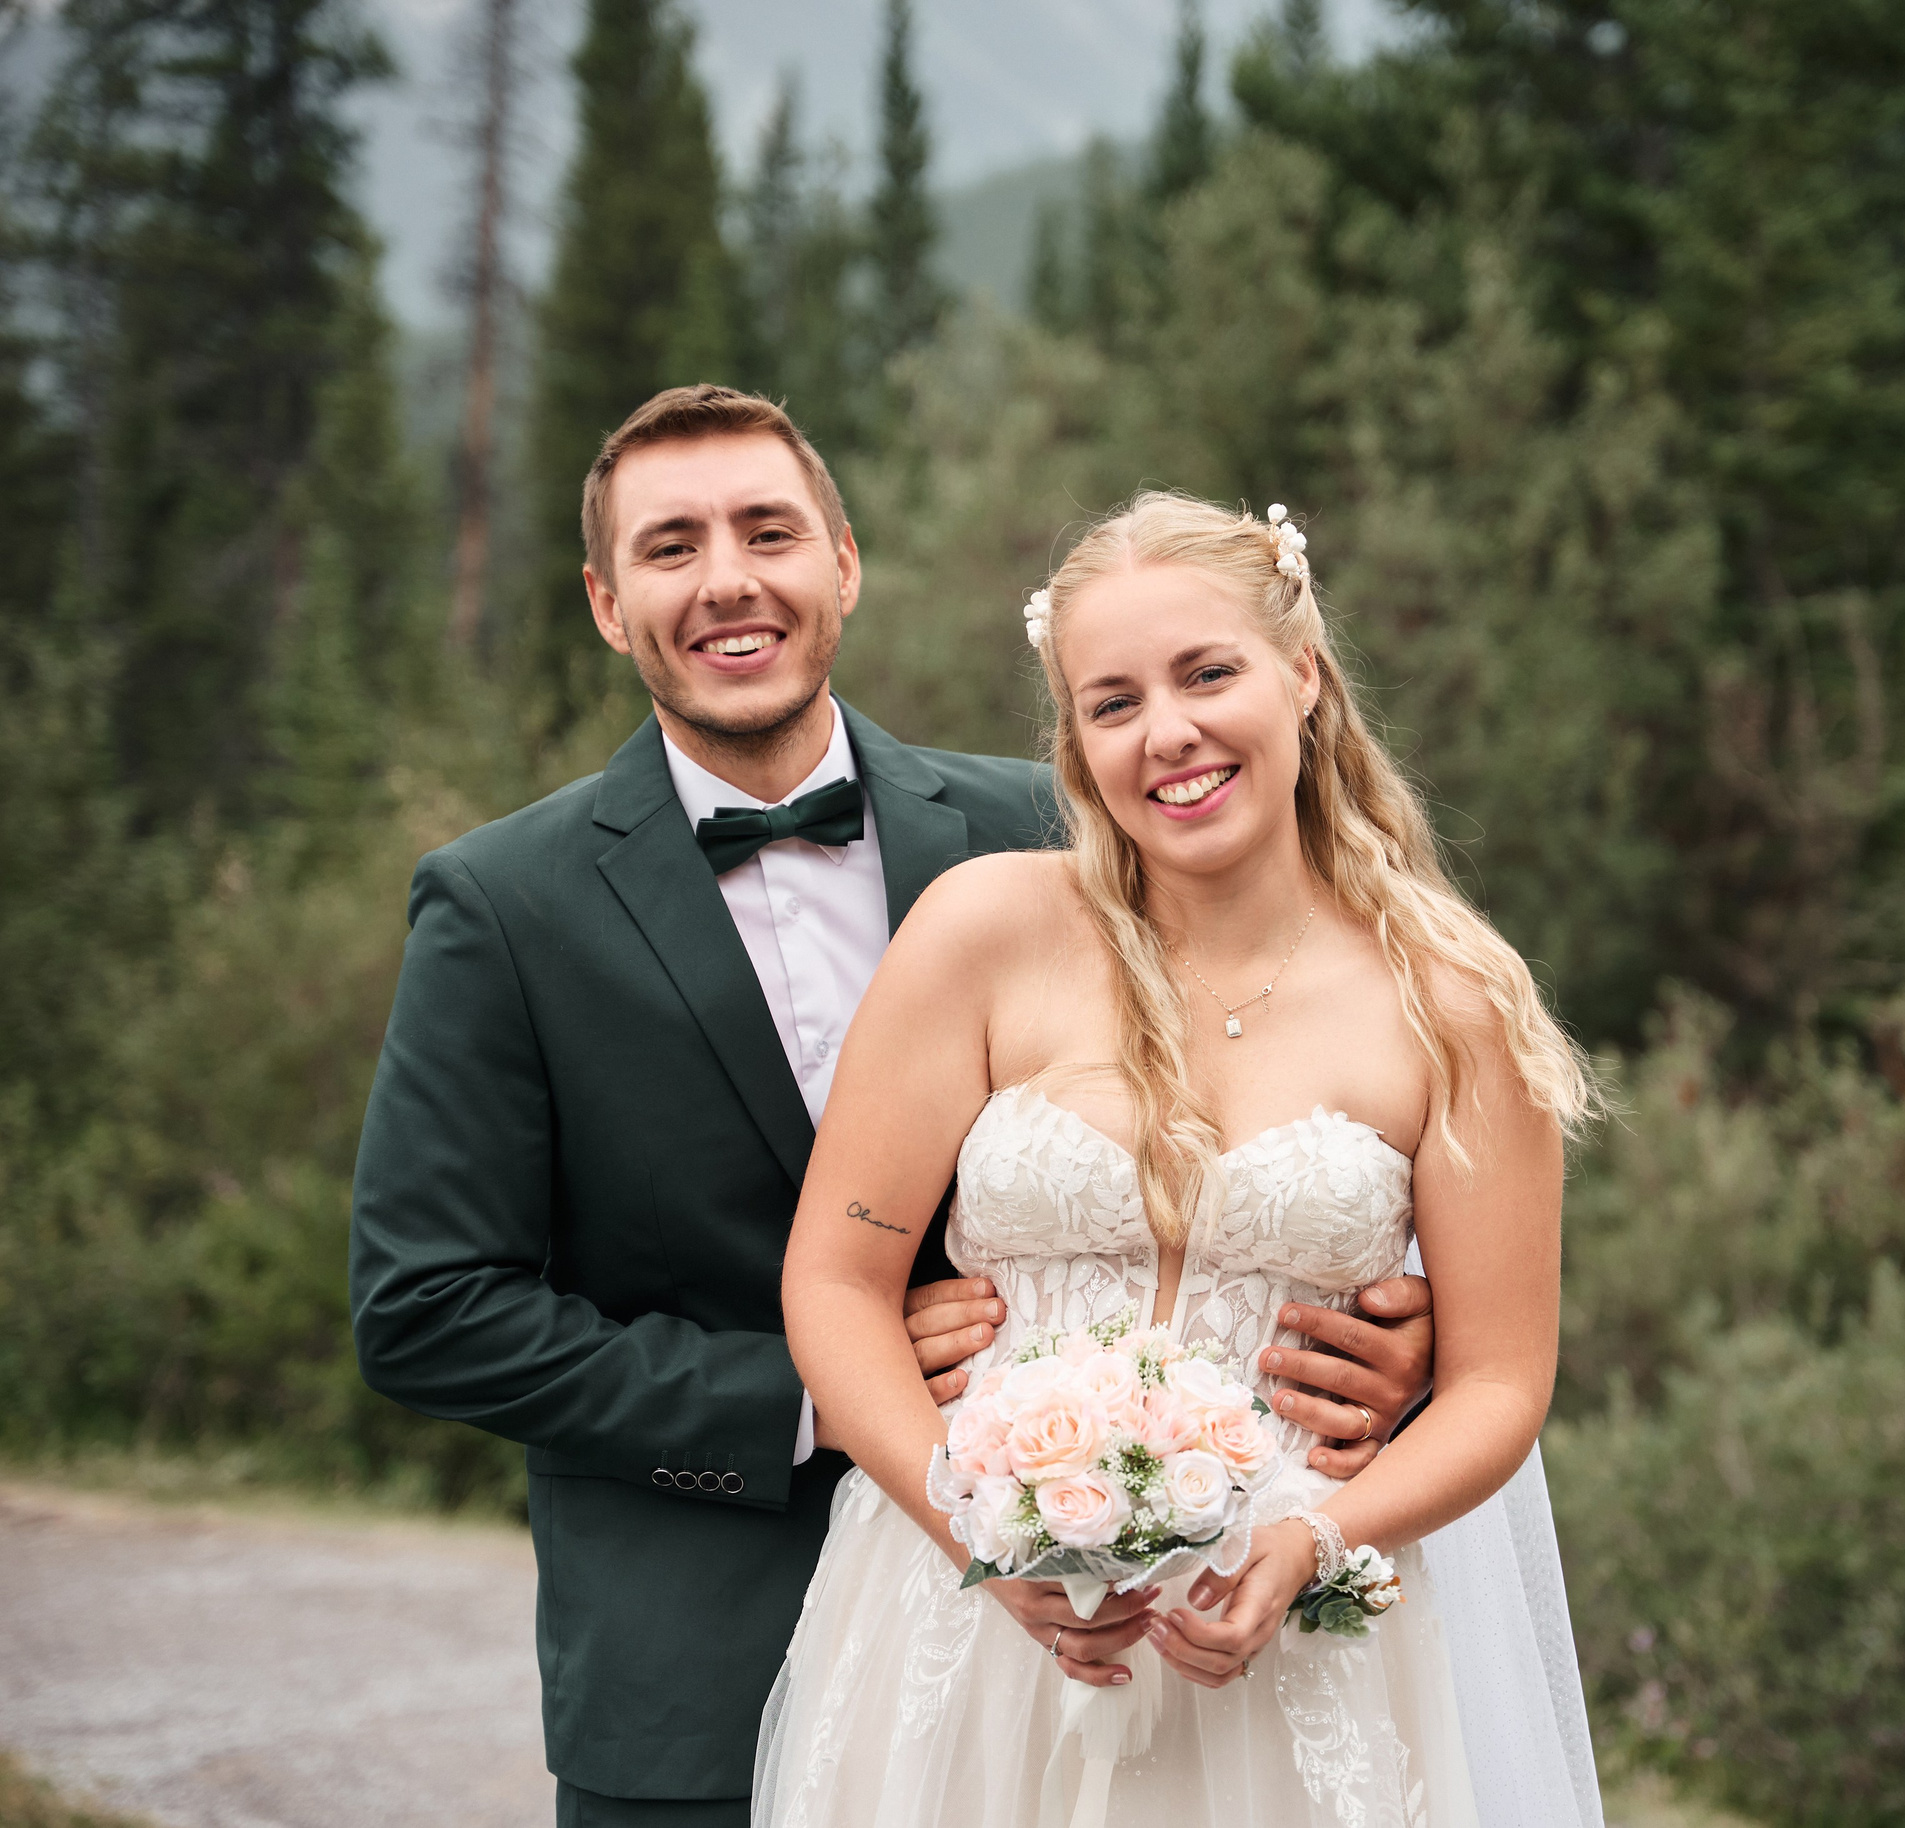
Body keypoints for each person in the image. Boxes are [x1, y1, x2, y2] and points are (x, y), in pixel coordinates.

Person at [347, 389, 1434, 1828]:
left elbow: (1277, 1090)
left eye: (768, 531)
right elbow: (425, 1308)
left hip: (1112, 1646)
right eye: (671, 548)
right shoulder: (503, 906)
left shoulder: (1063, 829)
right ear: (609, 605)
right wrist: (815, 1402)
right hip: (694, 1661)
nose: (728, 578)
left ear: (843, 565)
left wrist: (1387, 1316)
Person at [753, 491, 1599, 1826]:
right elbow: (835, 1285)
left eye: (1209, 673)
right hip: (968, 1610)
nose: (1170, 733)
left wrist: (1307, 1542)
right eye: (1113, 702)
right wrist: (966, 1514)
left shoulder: (1451, 1001)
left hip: (1287, 1629)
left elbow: (1502, 1382)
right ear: (1076, 743)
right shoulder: (982, 932)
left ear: (1304, 673)